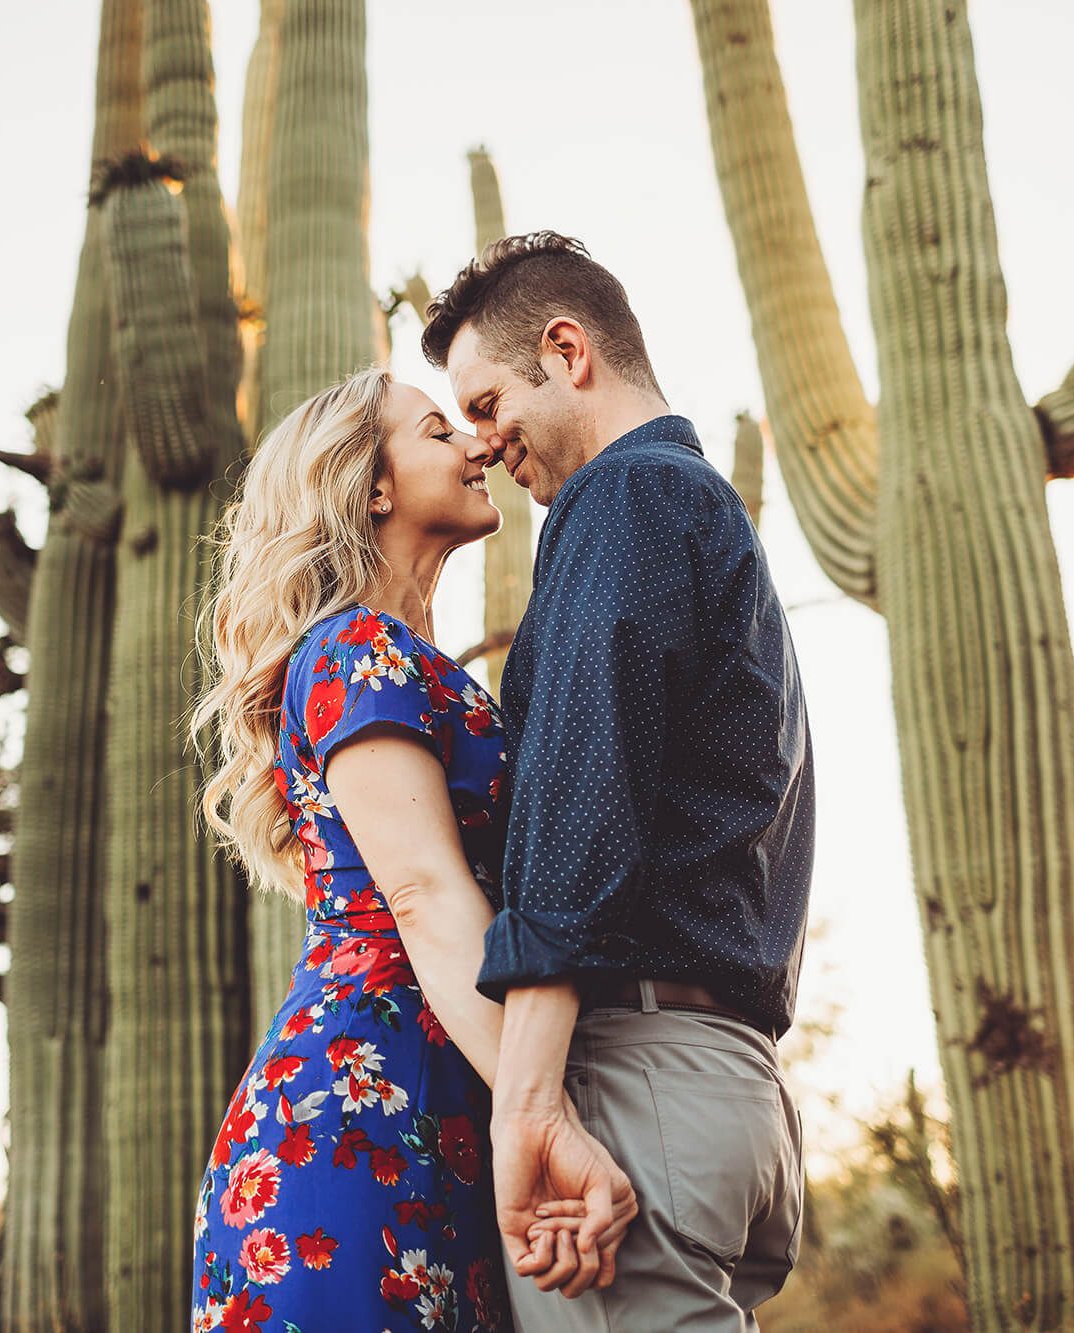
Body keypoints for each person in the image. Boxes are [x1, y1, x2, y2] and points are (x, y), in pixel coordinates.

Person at [420, 231, 816, 1328]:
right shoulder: (698, 510)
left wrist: (528, 1105)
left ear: (565, 349)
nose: (485, 443)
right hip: (725, 1087)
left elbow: (581, 807)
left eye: (490, 402)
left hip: (641, 1082)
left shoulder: (624, 500)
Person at [188, 368, 629, 1330]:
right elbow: (426, 895)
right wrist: (541, 1116)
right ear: (373, 485)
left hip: (430, 1102)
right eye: (438, 431)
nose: (477, 445)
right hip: (358, 1123)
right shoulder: (354, 649)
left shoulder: (405, 657)